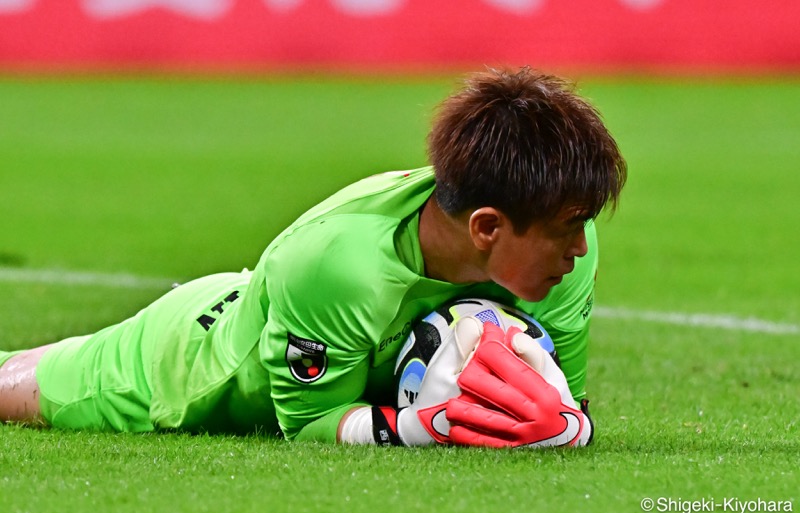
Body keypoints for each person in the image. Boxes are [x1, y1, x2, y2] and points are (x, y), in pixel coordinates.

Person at [0, 67, 626, 447]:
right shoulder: (343, 266)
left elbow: (558, 404)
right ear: (488, 227)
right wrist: (421, 429)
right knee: (14, 387)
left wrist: (569, 424)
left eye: (584, 224)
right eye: (567, 230)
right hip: (192, 361)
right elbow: (312, 422)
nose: (580, 246)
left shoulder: (566, 246)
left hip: (285, 307)